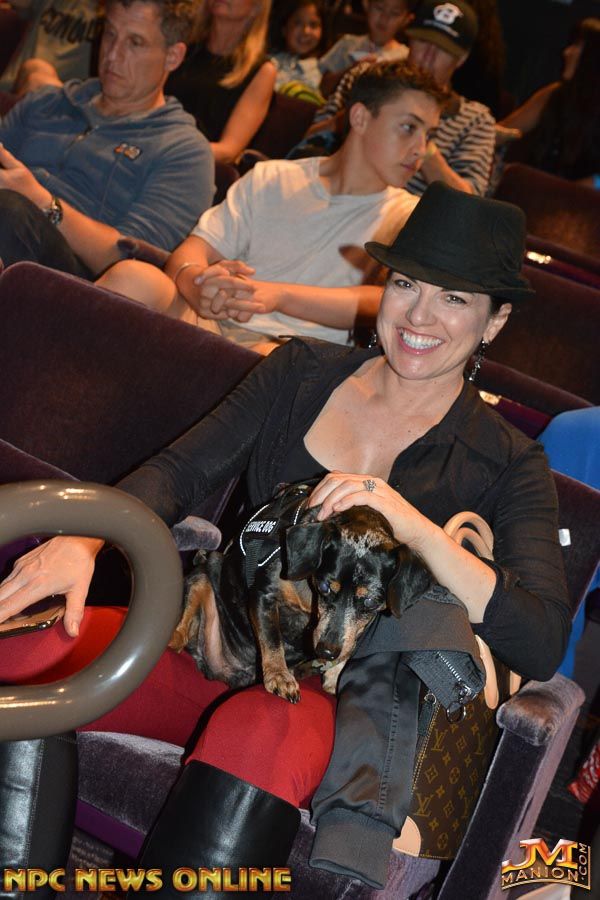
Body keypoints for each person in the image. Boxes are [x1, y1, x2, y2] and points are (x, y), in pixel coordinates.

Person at [0, 182, 570, 893]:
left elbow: (540, 640)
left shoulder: (507, 461)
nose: (420, 316)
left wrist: (414, 528)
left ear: (494, 321)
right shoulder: (301, 372)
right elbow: (180, 470)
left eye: (453, 298)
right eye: (406, 284)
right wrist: (83, 541)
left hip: (338, 705)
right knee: (33, 652)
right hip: (222, 640)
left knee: (259, 728)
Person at [97, 60, 445, 352]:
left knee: (268, 361)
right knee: (133, 277)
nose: (421, 148)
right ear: (360, 118)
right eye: (408, 127)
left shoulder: (410, 216)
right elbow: (194, 250)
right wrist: (195, 281)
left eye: (428, 134)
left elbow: (385, 300)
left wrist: (279, 296)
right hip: (214, 324)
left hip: (291, 353)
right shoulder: (272, 177)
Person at [0, 0, 214, 279]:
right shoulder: (48, 102)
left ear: (173, 56)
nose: (113, 55)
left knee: (10, 209)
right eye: (110, 34)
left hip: (75, 278)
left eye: (135, 43)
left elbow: (133, 265)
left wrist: (41, 200)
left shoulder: (183, 151)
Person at [296, 0, 496, 197]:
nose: (428, 56)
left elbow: (470, 205)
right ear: (409, 39)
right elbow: (307, 142)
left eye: (443, 49)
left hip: (411, 215)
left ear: (461, 58)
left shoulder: (476, 121)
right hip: (331, 194)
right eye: (423, 41)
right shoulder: (365, 77)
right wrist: (352, 119)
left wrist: (421, 142)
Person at [164, 0, 276, 164]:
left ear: (256, 7)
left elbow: (228, 151)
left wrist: (165, 150)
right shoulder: (183, 47)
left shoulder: (262, 71)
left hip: (192, 163)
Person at [499, 17, 600, 186]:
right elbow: (506, 130)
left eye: (578, 46)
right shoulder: (555, 94)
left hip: (576, 200)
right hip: (532, 190)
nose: (567, 52)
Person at [0, 0, 103, 96]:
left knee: (39, 76)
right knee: (36, 69)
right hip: (11, 88)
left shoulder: (109, 16)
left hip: (59, 100)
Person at [318, 0, 411, 84]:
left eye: (394, 13)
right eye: (379, 8)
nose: (384, 18)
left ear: (406, 19)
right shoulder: (347, 43)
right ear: (366, 4)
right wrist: (351, 70)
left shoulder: (405, 57)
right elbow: (324, 86)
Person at [269, 0, 325, 104]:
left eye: (313, 25)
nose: (306, 31)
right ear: (284, 28)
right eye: (298, 23)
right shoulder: (270, 63)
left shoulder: (323, 68)